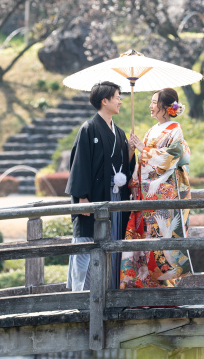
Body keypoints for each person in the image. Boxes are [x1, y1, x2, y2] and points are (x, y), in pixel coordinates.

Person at [65, 81, 134, 291]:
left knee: (113, 243)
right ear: (104, 101)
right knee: (88, 243)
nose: (121, 101)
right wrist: (82, 198)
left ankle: (110, 291)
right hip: (93, 197)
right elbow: (80, 164)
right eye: (117, 97)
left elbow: (124, 167)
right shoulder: (88, 129)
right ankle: (83, 295)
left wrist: (130, 151)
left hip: (115, 196)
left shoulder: (120, 133)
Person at [121, 87, 192, 288]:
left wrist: (144, 150)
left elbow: (172, 158)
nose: (151, 106)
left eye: (154, 102)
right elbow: (142, 164)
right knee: (145, 243)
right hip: (147, 196)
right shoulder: (151, 130)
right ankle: (143, 289)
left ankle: (166, 291)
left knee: (162, 244)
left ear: (166, 107)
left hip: (164, 198)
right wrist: (134, 181)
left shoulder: (175, 130)